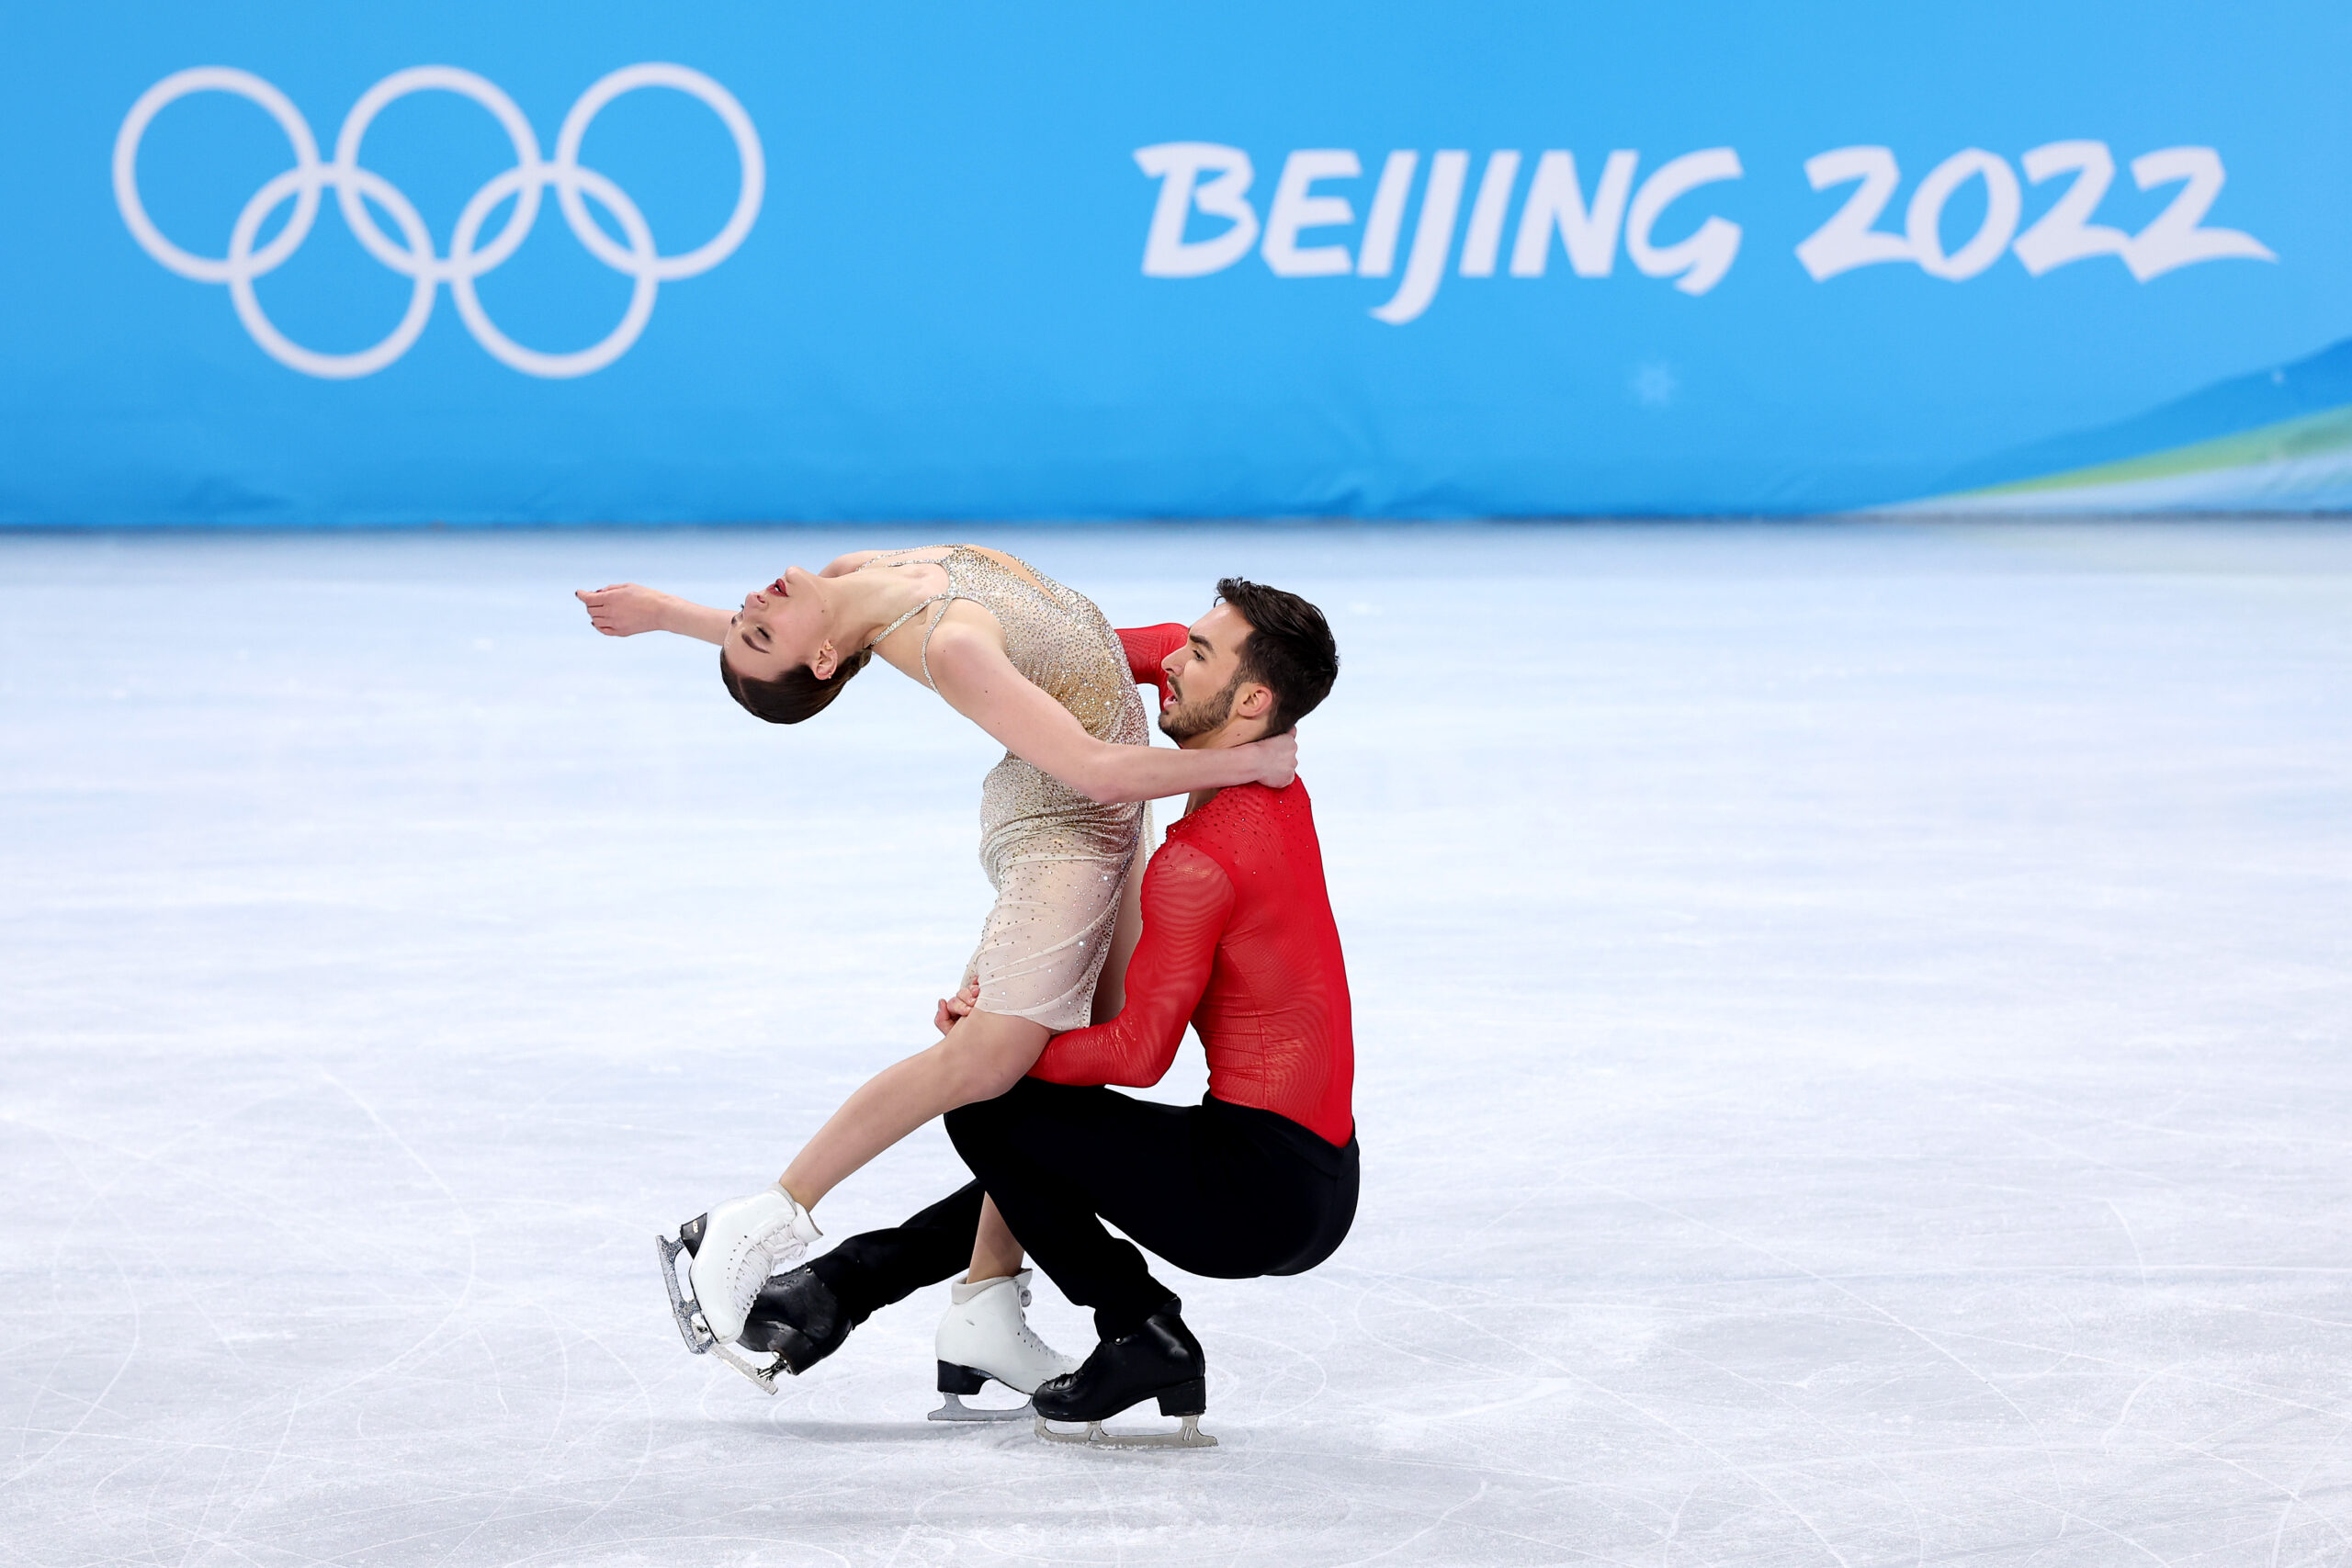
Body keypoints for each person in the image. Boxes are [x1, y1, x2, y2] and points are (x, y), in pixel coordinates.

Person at [575, 548, 1297, 1372]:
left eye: (749, 619)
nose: (750, 602)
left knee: (1068, 1088)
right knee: (990, 1058)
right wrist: (1244, 759)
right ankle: (760, 1220)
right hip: (1065, 828)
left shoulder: (861, 574)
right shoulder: (945, 648)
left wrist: (671, 613)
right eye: (758, 625)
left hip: (1108, 827)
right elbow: (1095, 772)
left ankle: (986, 1300)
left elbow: (811, 640)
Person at [741, 579, 1356, 1444]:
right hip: (1316, 1175)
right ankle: (841, 1287)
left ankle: (1139, 1324)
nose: (1173, 659)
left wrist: (999, 1045)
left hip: (1251, 1198)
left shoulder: (1197, 863)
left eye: (1200, 654)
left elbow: (1142, 1054)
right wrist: (846, 629)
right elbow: (1091, 646)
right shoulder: (1272, 759)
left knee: (994, 1105)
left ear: (1251, 698)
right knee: (1052, 1149)